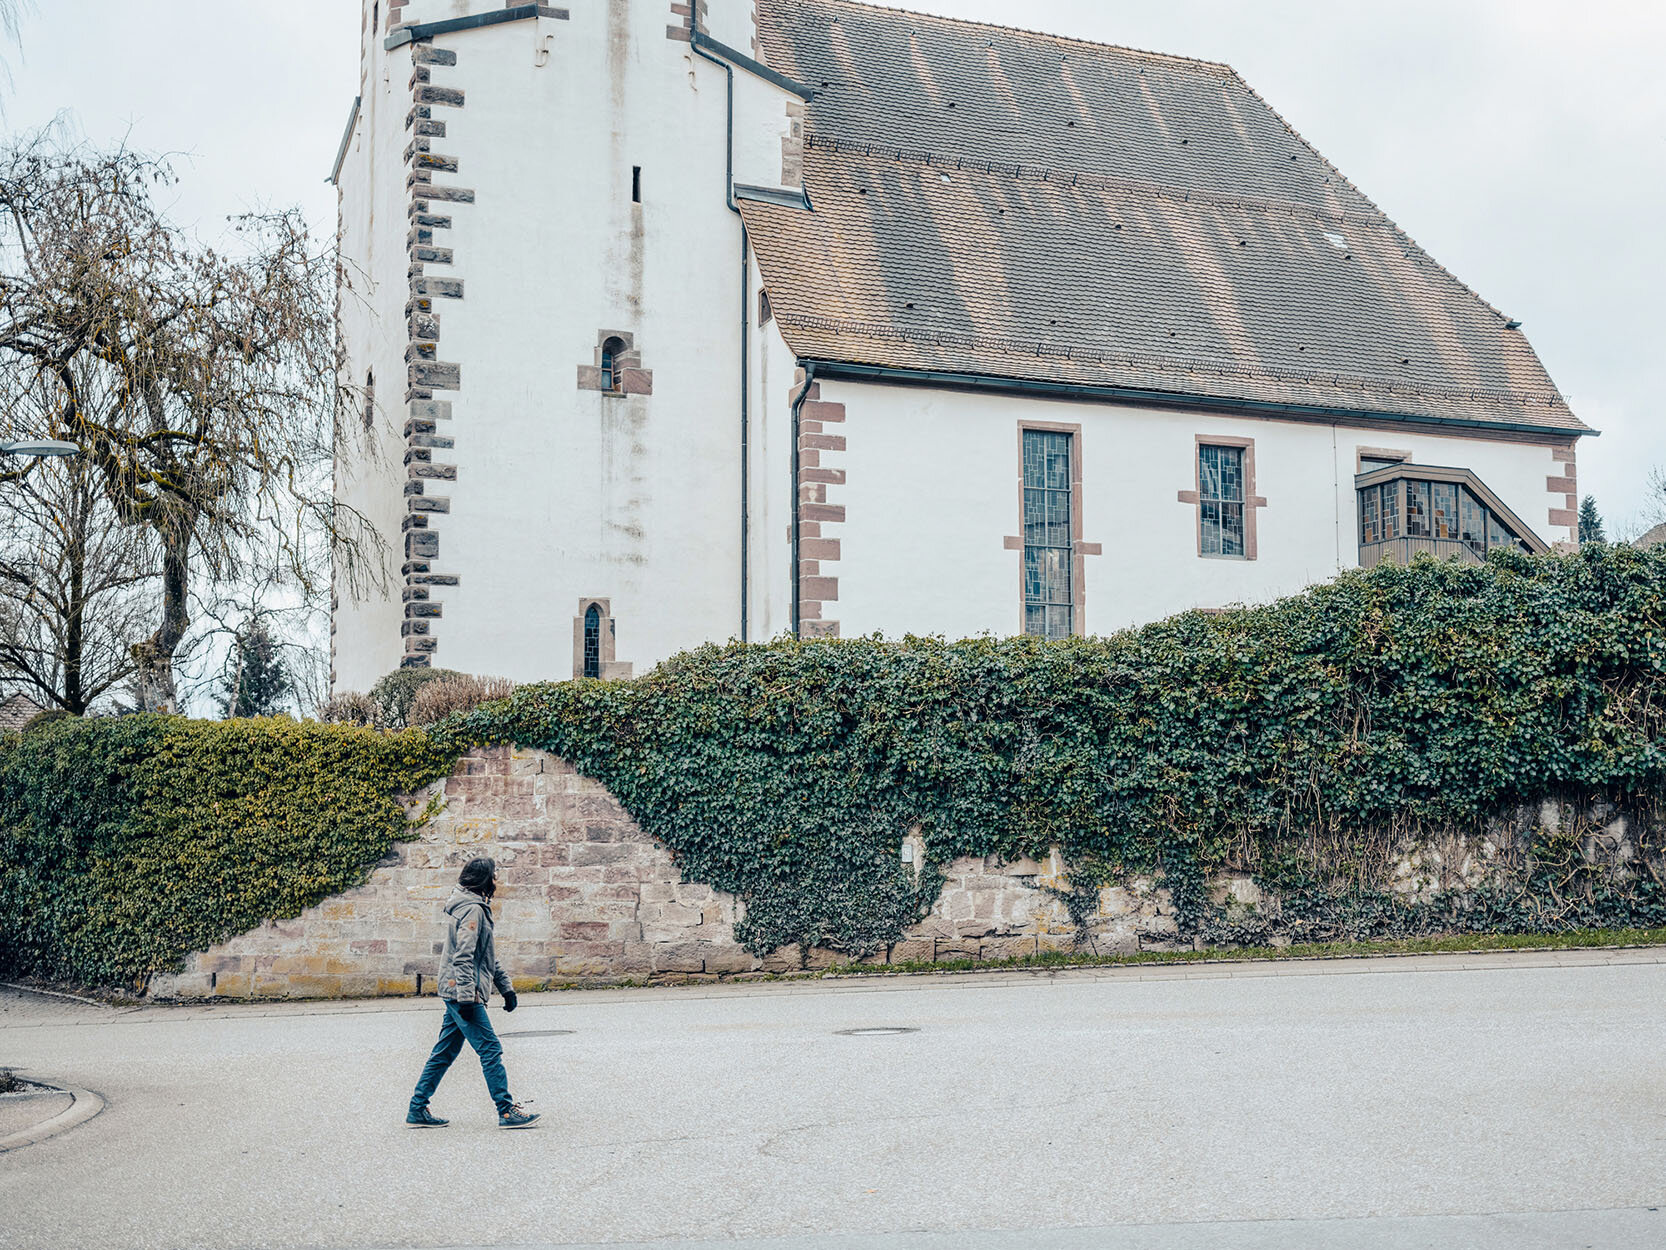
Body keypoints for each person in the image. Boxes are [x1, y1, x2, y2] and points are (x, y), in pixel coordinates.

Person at [406, 857, 539, 1129]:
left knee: (444, 1052)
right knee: (490, 1048)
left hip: (457, 990)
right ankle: (506, 1110)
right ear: (483, 879)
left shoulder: (473, 906)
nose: (497, 880)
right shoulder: (472, 910)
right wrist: (467, 998)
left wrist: (506, 988)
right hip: (463, 992)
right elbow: (463, 958)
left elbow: (485, 956)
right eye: (494, 875)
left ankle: (417, 1109)